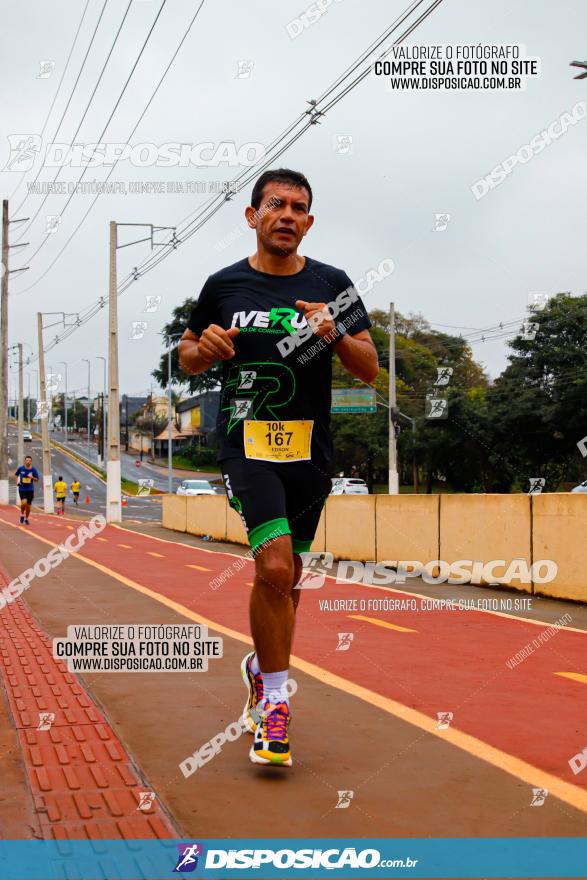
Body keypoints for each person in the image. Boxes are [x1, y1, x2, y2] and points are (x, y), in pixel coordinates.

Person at [179, 168, 378, 767]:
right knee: (272, 563)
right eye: (276, 205)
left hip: (310, 451)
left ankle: (259, 666)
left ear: (308, 222)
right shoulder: (224, 285)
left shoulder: (333, 284)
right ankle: (274, 703)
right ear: (253, 216)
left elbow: (368, 366)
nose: (287, 215)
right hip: (247, 444)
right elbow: (187, 355)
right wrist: (203, 348)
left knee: (287, 580)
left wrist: (336, 330)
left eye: (298, 208)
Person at [14, 454, 39, 525]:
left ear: (31, 462)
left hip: (30, 489)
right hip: (22, 488)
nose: (28, 462)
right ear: (25, 461)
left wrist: (32, 477)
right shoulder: (21, 468)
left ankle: (26, 518)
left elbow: (37, 479)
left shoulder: (33, 470)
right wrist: (17, 482)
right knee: (24, 502)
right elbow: (16, 475)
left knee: (28, 506)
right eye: (27, 460)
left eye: (29, 461)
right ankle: (22, 514)